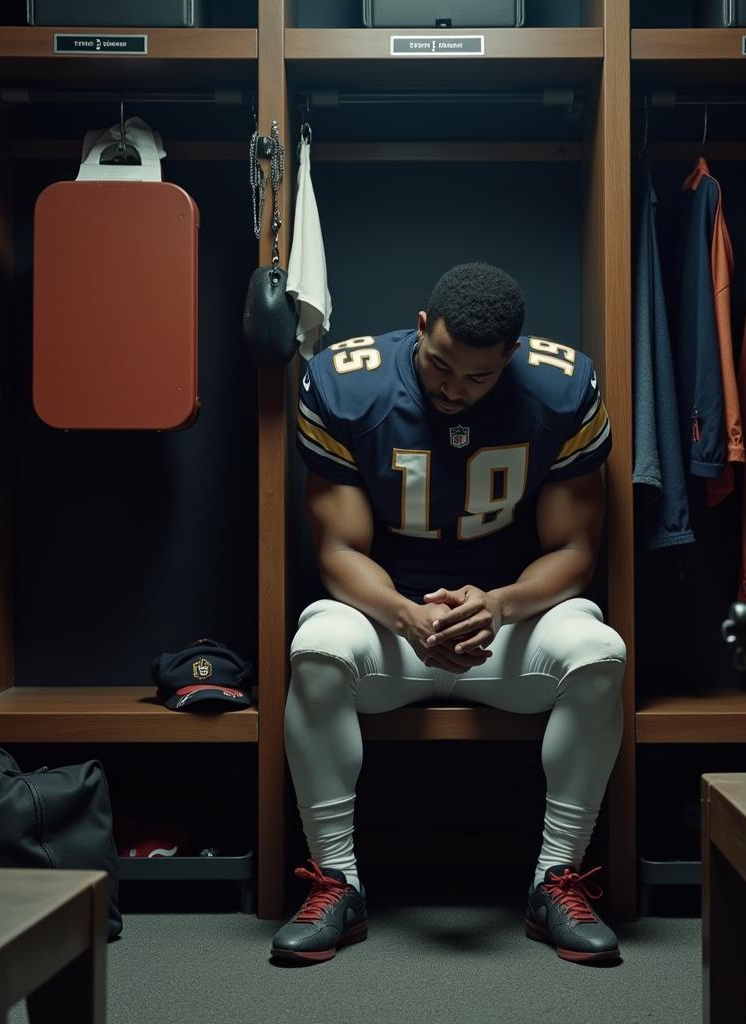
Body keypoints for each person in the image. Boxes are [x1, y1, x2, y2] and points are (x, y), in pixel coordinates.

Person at [272, 262, 626, 965]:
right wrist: (407, 616)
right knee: (316, 646)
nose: (452, 389)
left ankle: (555, 880)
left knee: (600, 652)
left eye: (478, 378)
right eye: (440, 366)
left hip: (512, 624)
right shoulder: (350, 383)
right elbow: (338, 548)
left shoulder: (561, 389)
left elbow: (575, 550)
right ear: (423, 326)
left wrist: (498, 606)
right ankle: (336, 882)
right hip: (388, 624)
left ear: (512, 358)